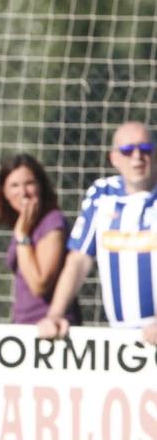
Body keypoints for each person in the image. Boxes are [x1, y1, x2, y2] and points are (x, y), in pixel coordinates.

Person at [39, 122, 157, 345]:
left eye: (145, 149)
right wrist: (55, 314)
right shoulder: (102, 194)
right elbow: (79, 259)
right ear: (114, 158)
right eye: (127, 150)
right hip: (121, 337)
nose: (137, 157)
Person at [0, 153, 79, 325]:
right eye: (14, 185)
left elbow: (39, 284)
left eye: (29, 183)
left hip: (51, 326)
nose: (23, 192)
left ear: (40, 186)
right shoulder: (24, 224)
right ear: (4, 192)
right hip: (23, 324)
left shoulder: (52, 222)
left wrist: (22, 236)